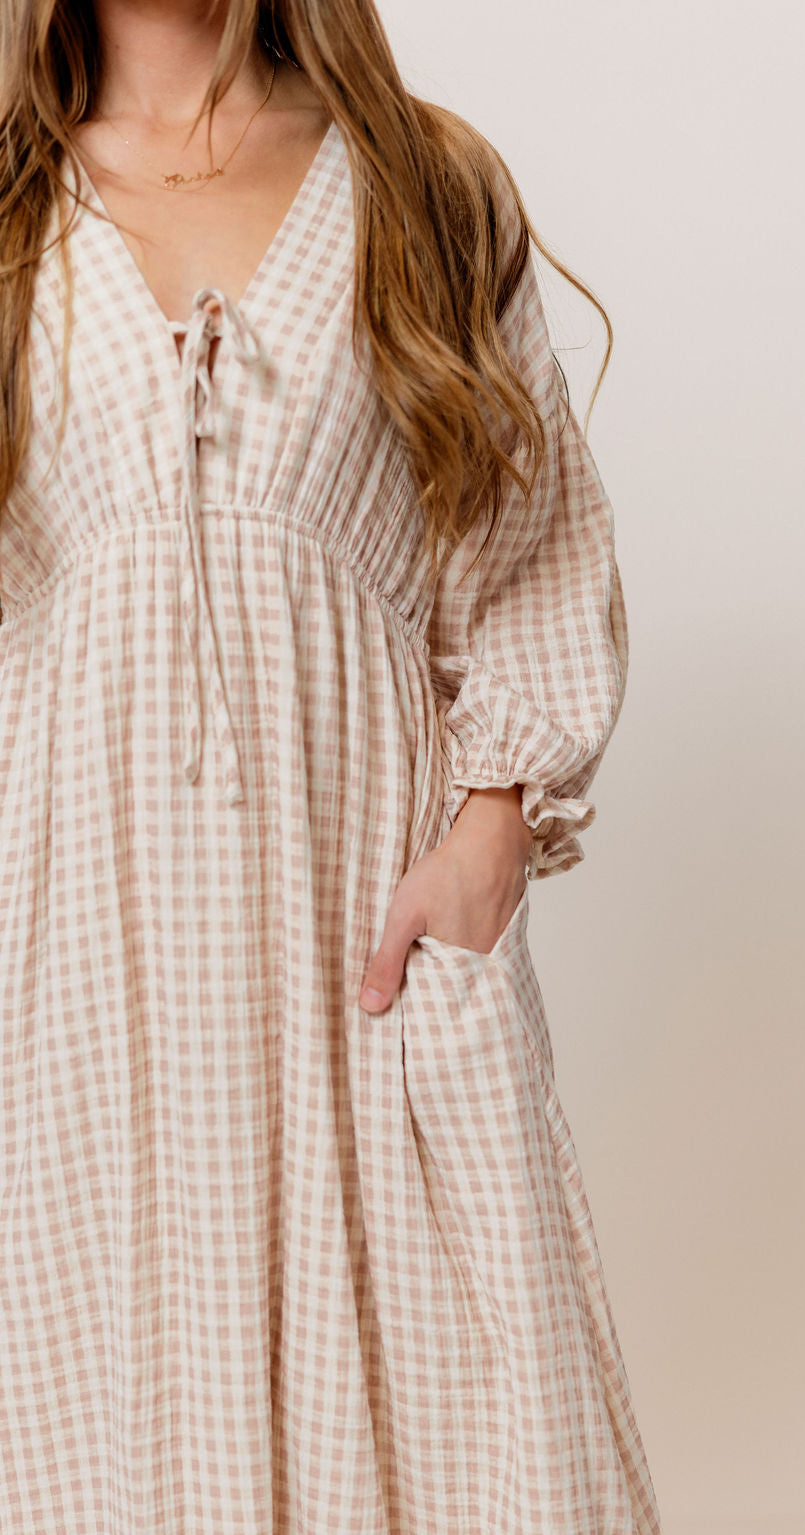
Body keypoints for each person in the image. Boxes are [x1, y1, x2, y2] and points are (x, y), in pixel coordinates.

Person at [0, 1, 662, 1529]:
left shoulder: (422, 187)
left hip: (357, 966)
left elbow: (533, 551)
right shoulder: (11, 207)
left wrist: (491, 833)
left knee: (437, 1444)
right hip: (65, 984)